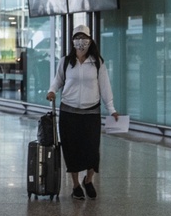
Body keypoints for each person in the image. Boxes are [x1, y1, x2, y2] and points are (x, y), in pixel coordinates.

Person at [46, 24, 119, 200]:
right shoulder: (65, 61)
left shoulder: (97, 62)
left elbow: (105, 87)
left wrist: (112, 109)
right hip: (69, 112)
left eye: (84, 38)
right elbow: (57, 80)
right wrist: (52, 91)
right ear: (72, 41)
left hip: (91, 113)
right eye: (77, 38)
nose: (81, 42)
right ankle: (76, 185)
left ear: (90, 41)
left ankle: (88, 180)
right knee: (72, 150)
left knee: (92, 150)